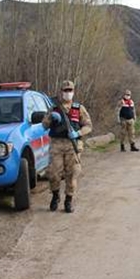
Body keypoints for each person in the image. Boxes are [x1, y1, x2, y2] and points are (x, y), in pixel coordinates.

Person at [43, 80, 93, 213]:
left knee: (72, 174)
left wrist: (78, 133)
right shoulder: (54, 108)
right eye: (65, 90)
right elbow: (44, 125)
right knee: (53, 173)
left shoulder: (78, 108)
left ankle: (68, 200)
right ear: (61, 92)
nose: (68, 93)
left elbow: (88, 126)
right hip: (56, 144)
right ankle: (55, 196)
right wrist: (51, 118)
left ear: (73, 92)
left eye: (70, 90)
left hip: (73, 145)